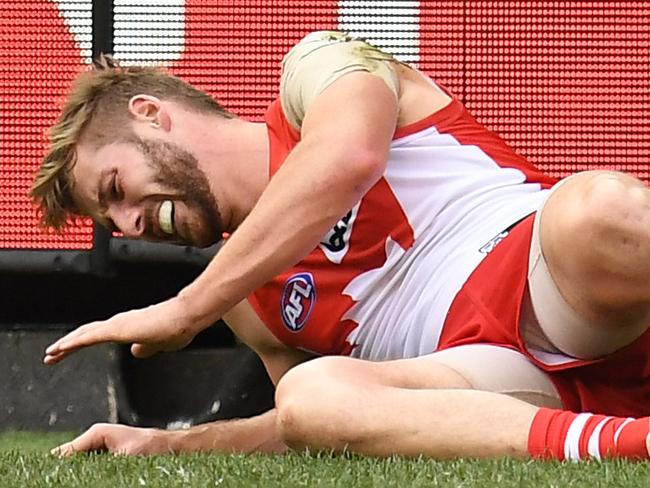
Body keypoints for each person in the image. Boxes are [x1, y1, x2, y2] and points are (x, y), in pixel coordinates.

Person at [31, 31, 650, 461]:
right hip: (489, 383)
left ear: (151, 114)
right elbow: (309, 429)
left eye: (115, 188)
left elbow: (349, 156)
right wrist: (170, 443)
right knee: (311, 395)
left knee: (594, 210)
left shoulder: (316, 71)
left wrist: (186, 308)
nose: (129, 225)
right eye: (112, 221)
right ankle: (630, 444)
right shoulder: (243, 299)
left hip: (557, 284)